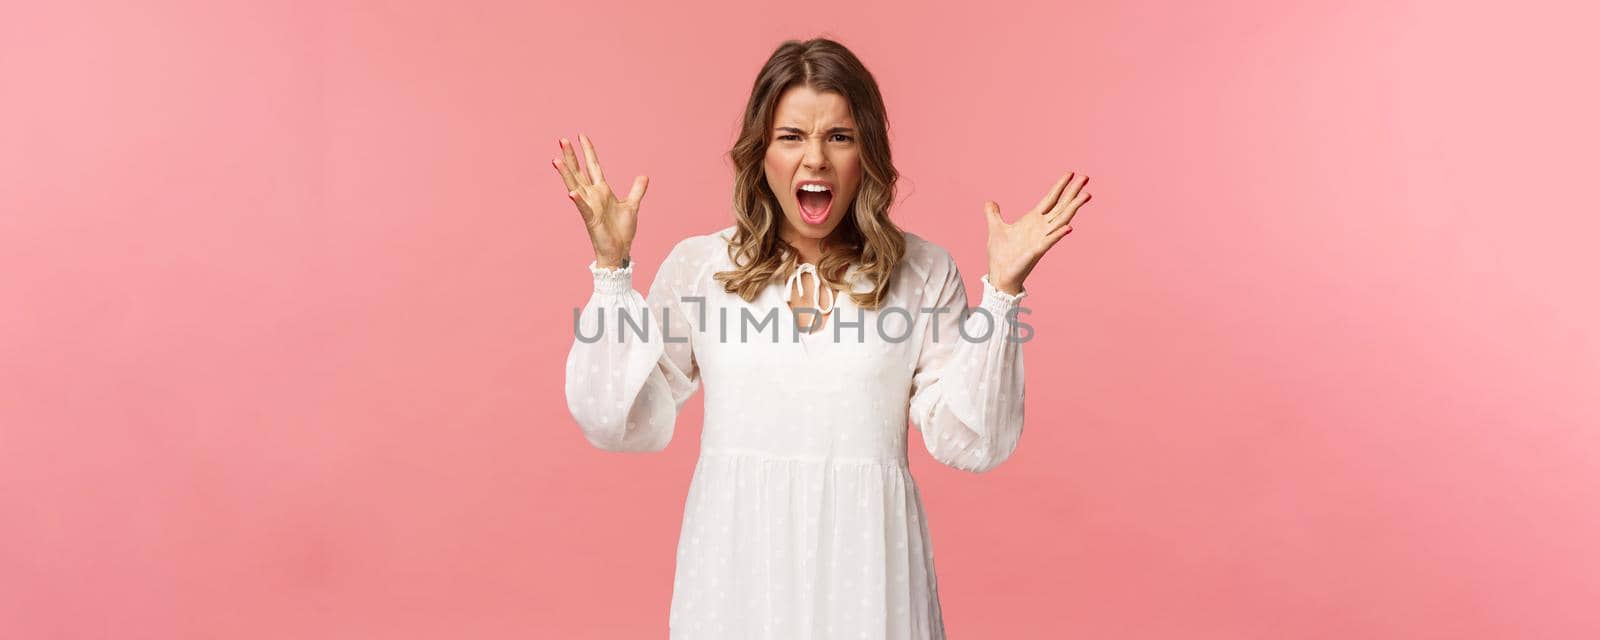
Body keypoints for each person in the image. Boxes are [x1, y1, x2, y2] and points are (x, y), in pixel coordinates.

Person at [552, 37, 1092, 640]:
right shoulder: (701, 268)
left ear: (868, 152)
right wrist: (611, 269)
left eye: (839, 136)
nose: (815, 160)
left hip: (870, 576)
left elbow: (973, 439)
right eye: (791, 137)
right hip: (737, 576)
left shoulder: (922, 272)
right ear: (761, 155)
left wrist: (1002, 293)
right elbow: (619, 418)